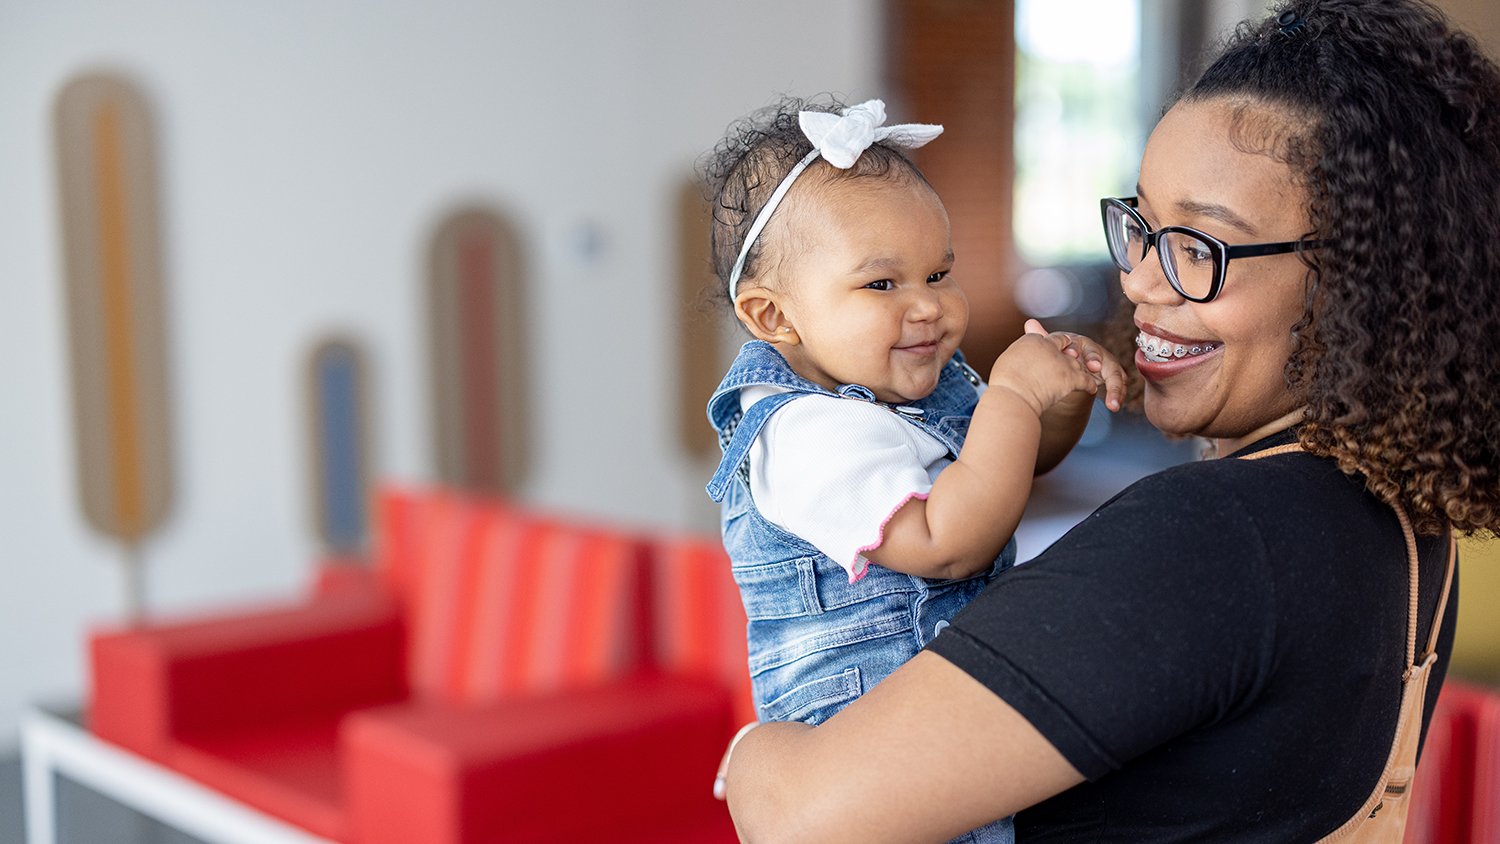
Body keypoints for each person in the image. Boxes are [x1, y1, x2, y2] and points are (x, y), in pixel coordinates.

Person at [716, 1, 1500, 841]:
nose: (1140, 285)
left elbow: (809, 819)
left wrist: (756, 754)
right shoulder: (1389, 513)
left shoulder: (1216, 533)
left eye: (1200, 248)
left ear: (1357, 280)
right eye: (1144, 228)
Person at [702, 99, 1125, 843]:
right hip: (872, 760)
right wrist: (1015, 397)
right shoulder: (802, 433)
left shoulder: (911, 387)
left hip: (946, 714)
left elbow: (1008, 471)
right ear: (774, 318)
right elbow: (946, 539)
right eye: (882, 285)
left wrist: (1057, 402)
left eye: (939, 272)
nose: (928, 307)